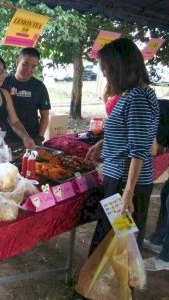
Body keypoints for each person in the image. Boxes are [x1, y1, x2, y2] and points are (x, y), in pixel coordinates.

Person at [85, 38, 160, 255]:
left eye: (107, 69)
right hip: (120, 179)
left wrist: (127, 193)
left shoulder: (137, 98)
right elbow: (131, 134)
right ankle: (100, 285)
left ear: (120, 67)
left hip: (123, 182)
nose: (106, 74)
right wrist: (103, 142)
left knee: (117, 242)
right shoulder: (135, 94)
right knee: (115, 239)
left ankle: (107, 287)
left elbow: (138, 150)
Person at [2, 47, 51, 147]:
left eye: (33, 66)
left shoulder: (39, 87)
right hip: (6, 138)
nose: (28, 70)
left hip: (31, 139)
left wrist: (39, 138)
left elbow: (45, 115)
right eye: (25, 64)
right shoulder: (4, 83)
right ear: (17, 62)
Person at [143, 100, 169, 271]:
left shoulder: (159, 111)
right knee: (166, 193)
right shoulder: (161, 107)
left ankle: (166, 258)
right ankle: (158, 239)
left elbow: (155, 150)